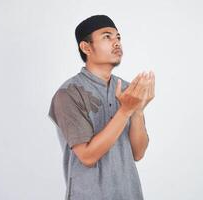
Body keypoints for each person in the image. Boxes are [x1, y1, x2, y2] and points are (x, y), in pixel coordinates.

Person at [48, 15, 155, 200]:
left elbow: (138, 153)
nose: (117, 43)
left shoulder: (128, 89)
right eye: (107, 37)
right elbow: (88, 157)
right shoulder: (69, 94)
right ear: (86, 47)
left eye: (118, 37)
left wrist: (137, 111)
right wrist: (125, 111)